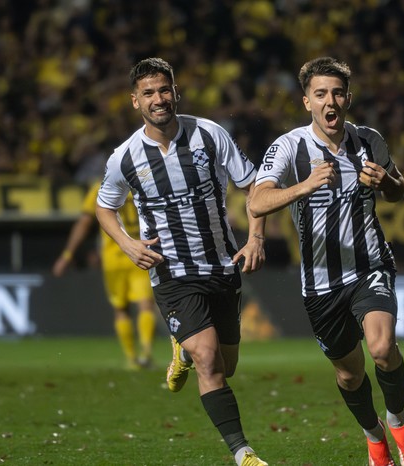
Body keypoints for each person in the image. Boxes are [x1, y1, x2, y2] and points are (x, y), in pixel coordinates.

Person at [249, 57, 404, 466]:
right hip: (320, 284)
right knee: (349, 374)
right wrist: (304, 185)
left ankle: (398, 421)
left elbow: (398, 190)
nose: (331, 101)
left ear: (349, 98)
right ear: (307, 101)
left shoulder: (369, 140)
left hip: (370, 267)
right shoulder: (289, 147)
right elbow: (256, 201)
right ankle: (373, 434)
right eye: (321, 94)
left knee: (382, 349)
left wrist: (388, 182)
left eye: (338, 93)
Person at [95, 57, 268, 466]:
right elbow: (105, 208)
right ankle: (243, 453)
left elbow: (255, 186)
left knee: (226, 364)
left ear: (176, 91)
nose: (159, 99)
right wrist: (127, 243)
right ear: (135, 101)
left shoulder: (210, 135)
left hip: (222, 265)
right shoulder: (125, 157)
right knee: (210, 360)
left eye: (164, 90)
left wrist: (256, 237)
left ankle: (182, 351)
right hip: (171, 272)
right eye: (149, 93)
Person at [53, 181, 157, 370]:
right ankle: (146, 353)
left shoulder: (99, 187)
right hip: (141, 250)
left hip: (114, 256)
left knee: (121, 309)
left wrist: (67, 255)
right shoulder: (142, 182)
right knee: (145, 304)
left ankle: (132, 359)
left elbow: (85, 222)